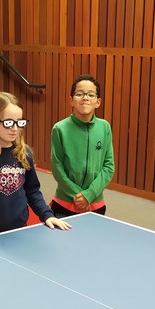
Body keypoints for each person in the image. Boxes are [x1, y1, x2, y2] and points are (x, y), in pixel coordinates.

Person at [0, 91, 72, 239]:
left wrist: (47, 215)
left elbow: (32, 191)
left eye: (19, 122)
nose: (15, 128)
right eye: (8, 123)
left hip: (18, 230)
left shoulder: (24, 154)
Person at [50, 74, 115, 217]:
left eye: (91, 95)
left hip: (95, 203)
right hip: (65, 203)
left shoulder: (105, 127)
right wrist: (78, 196)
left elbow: (109, 166)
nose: (85, 98)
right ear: (71, 100)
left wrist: (89, 194)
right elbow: (57, 167)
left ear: (98, 102)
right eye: (79, 94)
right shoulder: (59, 129)